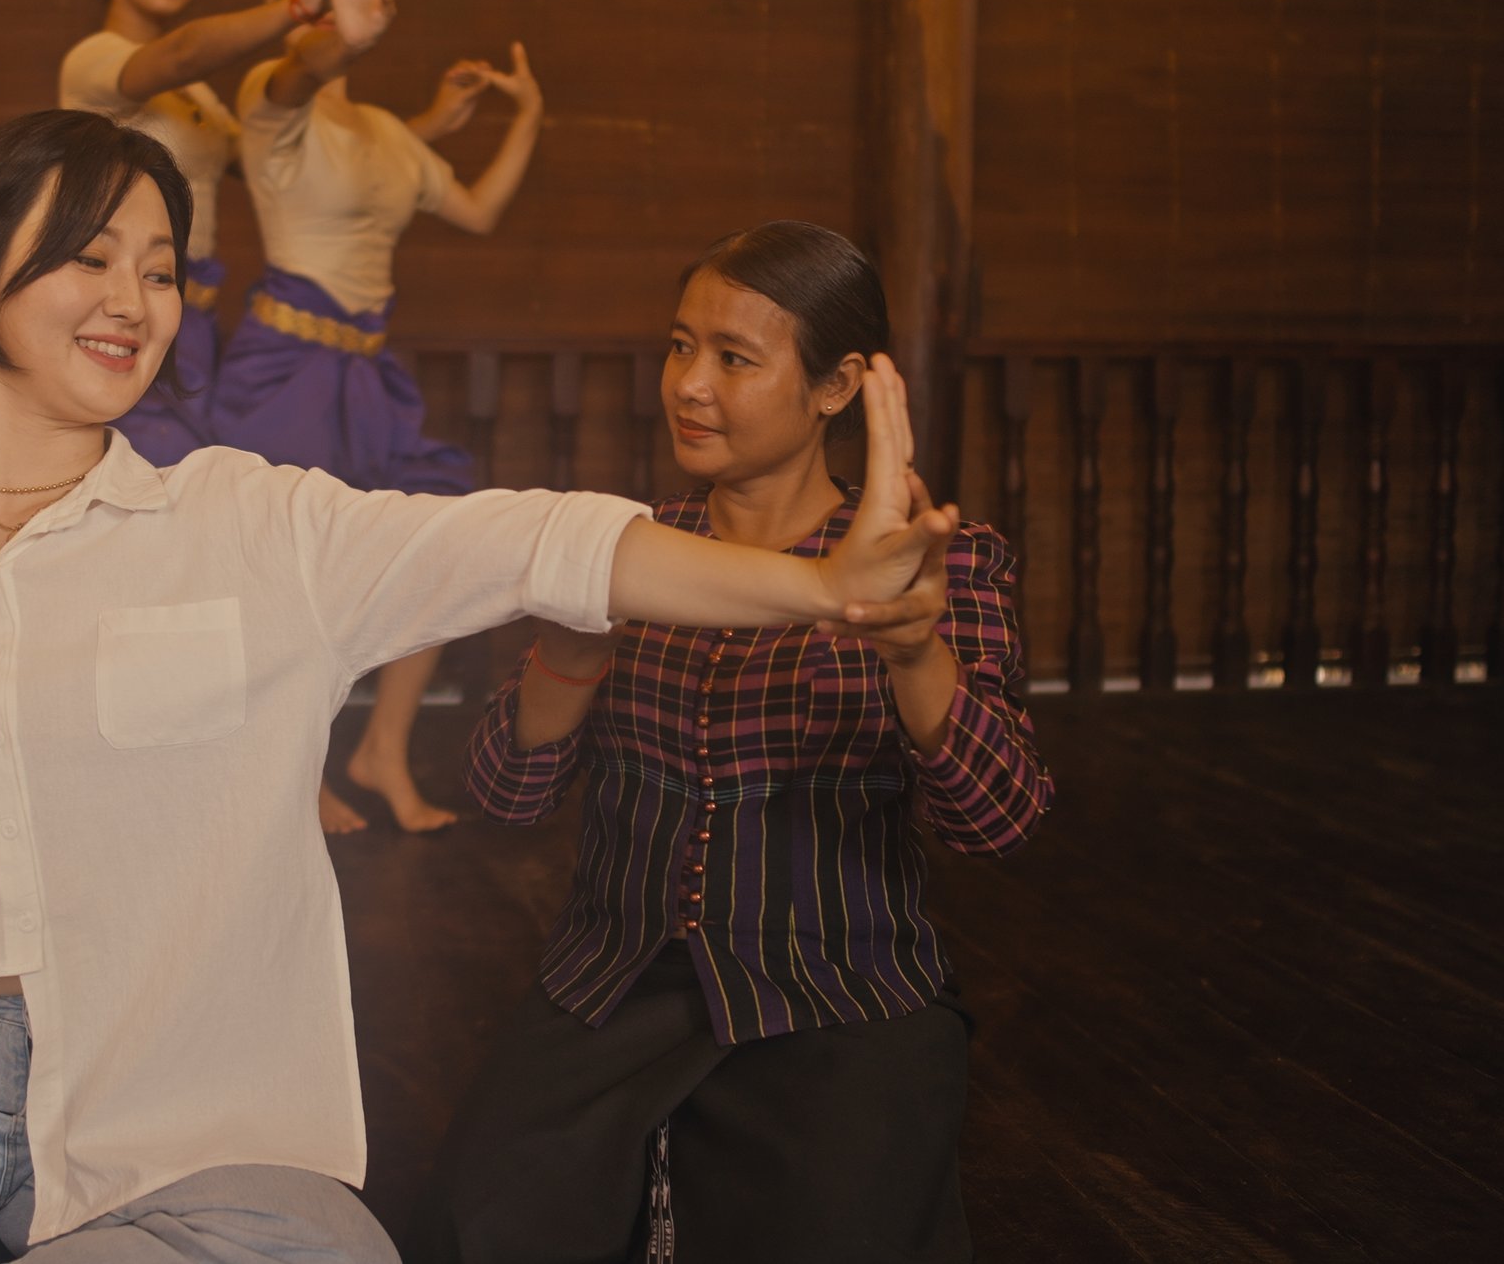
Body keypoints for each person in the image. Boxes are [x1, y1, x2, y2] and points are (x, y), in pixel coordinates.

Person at [0, 116, 958, 1264]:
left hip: (189, 1079)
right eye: (89, 254)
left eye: (162, 268)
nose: (134, 298)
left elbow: (541, 540)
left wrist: (824, 586)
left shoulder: (255, 525)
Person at [434, 222, 1056, 1263]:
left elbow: (1001, 819)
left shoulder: (937, 563)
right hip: (614, 979)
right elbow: (503, 795)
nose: (689, 384)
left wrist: (914, 653)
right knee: (477, 1224)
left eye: (734, 358)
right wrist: (572, 647)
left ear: (835, 385)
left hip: (839, 990)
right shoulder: (633, 550)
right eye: (681, 346)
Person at [207, 0, 542, 835]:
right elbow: (304, 71)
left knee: (430, 547)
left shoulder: (390, 133)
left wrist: (528, 116)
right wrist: (340, 34)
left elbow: (478, 211)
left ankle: (382, 749)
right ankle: (297, 769)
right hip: (285, 367)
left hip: (369, 370)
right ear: (294, 0)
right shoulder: (270, 98)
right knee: (290, 569)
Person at [55, 0, 379, 466]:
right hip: (118, 308)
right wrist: (295, 7)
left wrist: (342, 48)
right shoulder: (94, 58)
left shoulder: (196, 91)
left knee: (188, 483)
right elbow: (180, 52)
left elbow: (268, 159)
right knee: (138, 474)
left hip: (189, 317)